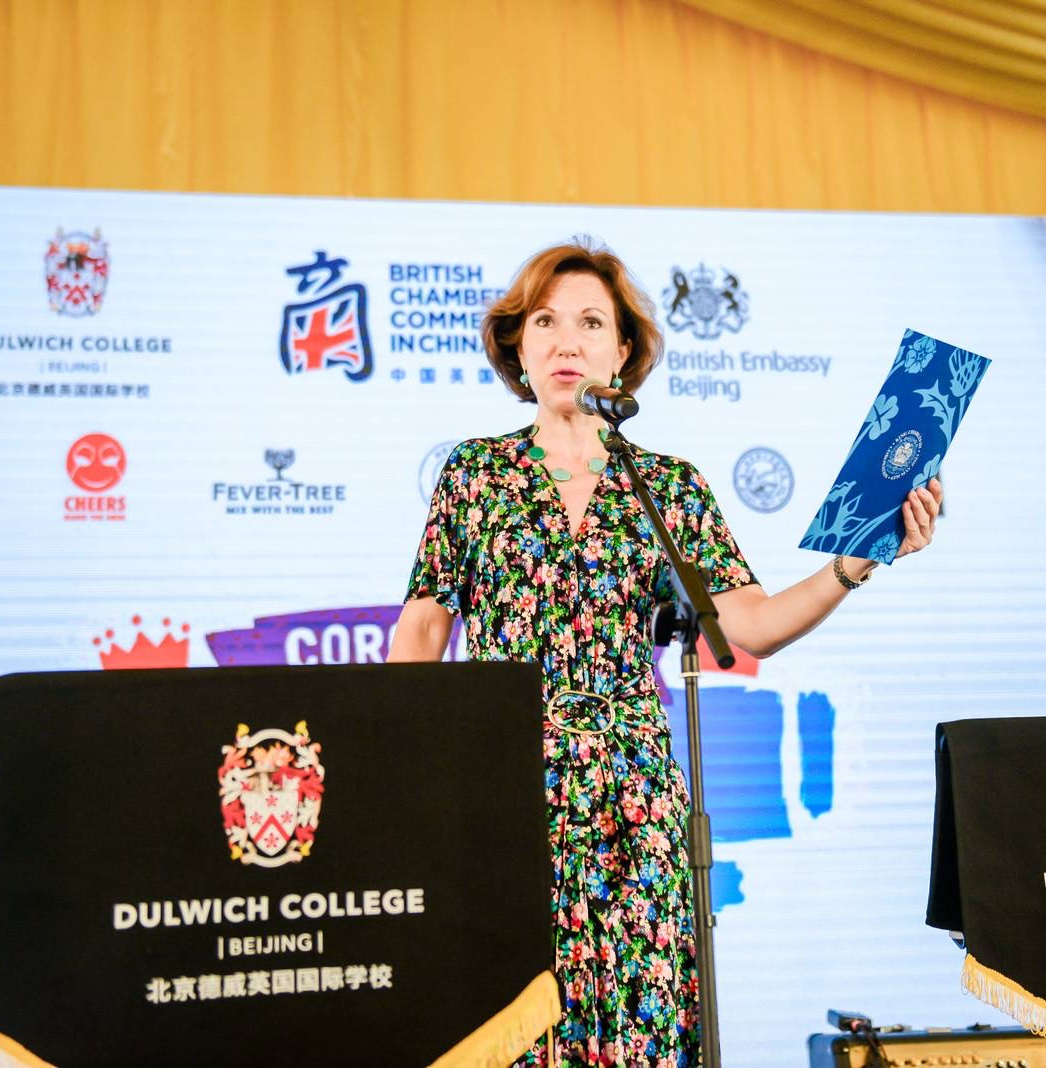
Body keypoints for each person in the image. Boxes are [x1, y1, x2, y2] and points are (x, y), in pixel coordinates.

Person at [389, 241, 941, 1066]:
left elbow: (747, 624)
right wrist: (397, 758)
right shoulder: (474, 474)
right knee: (511, 1026)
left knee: (638, 1027)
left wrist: (850, 566)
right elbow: (426, 623)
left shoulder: (668, 485)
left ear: (621, 353)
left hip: (634, 797)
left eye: (589, 323)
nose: (565, 342)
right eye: (544, 322)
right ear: (518, 346)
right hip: (503, 790)